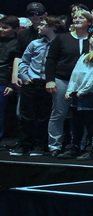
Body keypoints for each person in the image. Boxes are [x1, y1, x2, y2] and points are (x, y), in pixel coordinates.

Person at [11, 17, 64, 156]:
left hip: (49, 83)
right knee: (26, 116)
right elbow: (24, 61)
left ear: (53, 27)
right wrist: (25, 78)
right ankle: (24, 144)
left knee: (44, 116)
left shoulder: (60, 44)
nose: (39, 27)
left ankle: (40, 145)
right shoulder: (34, 43)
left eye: (43, 24)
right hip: (32, 82)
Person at [45, 10, 92, 157]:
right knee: (59, 113)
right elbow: (51, 60)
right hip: (62, 79)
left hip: (84, 83)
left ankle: (79, 144)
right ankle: (55, 146)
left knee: (82, 115)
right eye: (75, 17)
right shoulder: (61, 38)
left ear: (89, 22)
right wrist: (50, 80)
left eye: (81, 17)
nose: (77, 19)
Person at [62, 29, 93, 160]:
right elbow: (75, 74)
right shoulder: (84, 54)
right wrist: (69, 90)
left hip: (89, 93)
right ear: (89, 39)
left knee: (90, 121)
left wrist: (84, 90)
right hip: (77, 92)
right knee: (77, 121)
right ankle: (75, 146)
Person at [0, 16, 21, 143]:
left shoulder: (17, 43)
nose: (1, 29)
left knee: (1, 113)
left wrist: (11, 85)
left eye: (5, 27)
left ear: (15, 29)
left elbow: (15, 66)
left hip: (3, 80)